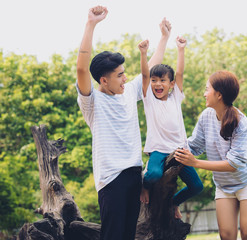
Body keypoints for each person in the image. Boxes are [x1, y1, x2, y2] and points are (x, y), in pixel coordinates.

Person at [76, 5, 172, 240]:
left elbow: (149, 71)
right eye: (119, 75)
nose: (125, 78)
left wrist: (164, 38)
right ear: (103, 80)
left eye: (124, 72)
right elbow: (81, 67)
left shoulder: (129, 91)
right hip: (111, 179)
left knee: (129, 235)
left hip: (133, 175)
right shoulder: (92, 101)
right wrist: (91, 24)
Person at [174, 71, 247, 240]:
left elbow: (233, 164)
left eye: (207, 89)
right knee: (226, 235)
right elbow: (194, 146)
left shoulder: (240, 121)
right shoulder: (206, 116)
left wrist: (195, 162)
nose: (204, 93)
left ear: (218, 95)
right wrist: (169, 148)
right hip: (224, 185)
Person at [138, 36, 203, 219]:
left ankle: (173, 202)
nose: (157, 84)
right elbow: (143, 75)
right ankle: (144, 186)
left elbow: (180, 73)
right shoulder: (149, 99)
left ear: (171, 84)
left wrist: (181, 49)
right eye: (154, 81)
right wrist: (143, 54)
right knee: (154, 175)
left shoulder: (176, 98)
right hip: (158, 149)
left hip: (180, 150)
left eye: (162, 81)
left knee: (197, 186)